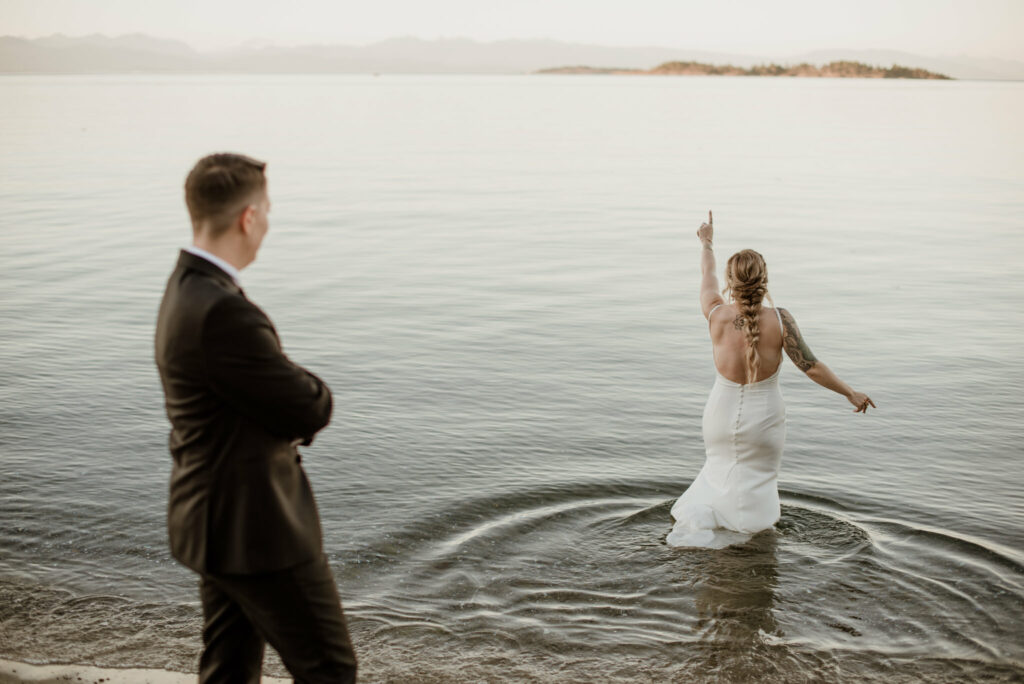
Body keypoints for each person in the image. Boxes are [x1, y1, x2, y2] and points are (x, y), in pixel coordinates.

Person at [154, 153, 357, 682]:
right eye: (266, 210)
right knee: (330, 669)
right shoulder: (224, 311)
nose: (268, 222)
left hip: (209, 518)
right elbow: (309, 405)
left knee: (229, 668)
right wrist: (303, 380)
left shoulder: (184, 288)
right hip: (255, 527)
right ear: (248, 217)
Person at [667, 211, 875, 548]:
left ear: (730, 282)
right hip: (764, 419)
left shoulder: (716, 314)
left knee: (719, 471)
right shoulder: (780, 320)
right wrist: (850, 393)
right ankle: (749, 545)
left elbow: (706, 275)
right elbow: (812, 366)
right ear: (764, 280)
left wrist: (706, 242)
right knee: (756, 484)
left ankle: (707, 529)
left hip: (719, 415)